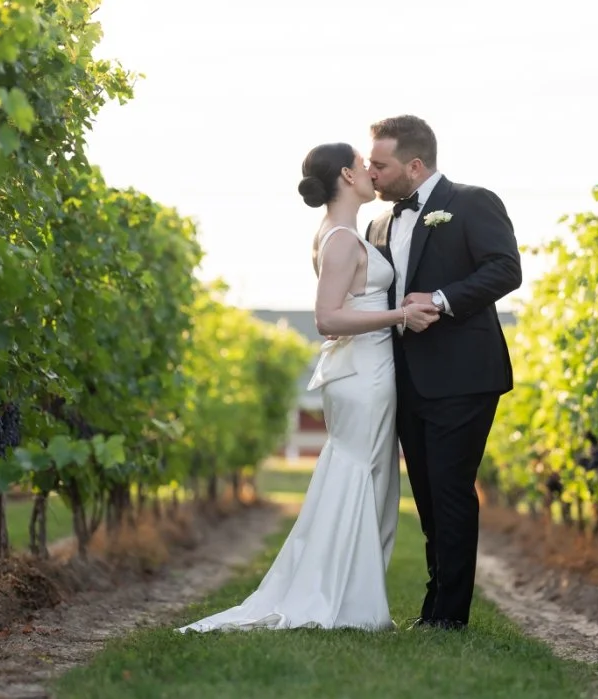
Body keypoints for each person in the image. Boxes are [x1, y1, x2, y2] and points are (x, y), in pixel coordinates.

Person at [176, 142, 438, 633]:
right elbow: (326, 317)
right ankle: (344, 602)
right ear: (345, 174)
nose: (372, 173)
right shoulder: (340, 238)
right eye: (364, 165)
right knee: (360, 478)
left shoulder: (341, 234)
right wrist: (401, 314)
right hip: (363, 373)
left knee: (369, 481)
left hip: (366, 367)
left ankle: (351, 595)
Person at [365, 115, 521, 629]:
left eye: (379, 164)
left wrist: (440, 299)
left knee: (451, 489)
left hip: (463, 375)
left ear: (413, 165)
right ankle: (434, 605)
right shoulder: (378, 225)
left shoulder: (473, 202)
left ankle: (449, 617)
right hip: (405, 377)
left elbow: (505, 268)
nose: (371, 172)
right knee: (428, 496)